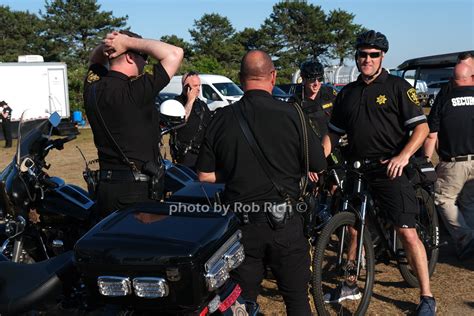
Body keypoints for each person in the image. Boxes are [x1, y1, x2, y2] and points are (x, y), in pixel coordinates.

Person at [196, 50, 326, 315]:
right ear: (273, 76)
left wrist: (236, 172)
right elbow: (318, 164)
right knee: (297, 300)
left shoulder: (220, 118)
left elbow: (204, 176)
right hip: (286, 223)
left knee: (241, 303)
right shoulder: (294, 114)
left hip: (242, 228)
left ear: (240, 78)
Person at [322, 30, 436, 315]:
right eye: (362, 54)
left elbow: (421, 128)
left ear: (382, 56)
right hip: (358, 168)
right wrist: (316, 163)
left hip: (391, 168)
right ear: (356, 56)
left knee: (406, 232)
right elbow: (332, 136)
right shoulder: (347, 93)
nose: (367, 59)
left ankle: (426, 297)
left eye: (374, 55)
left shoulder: (398, 86)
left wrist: (403, 155)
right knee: (352, 228)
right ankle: (350, 284)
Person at [83, 30, 183, 217]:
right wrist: (127, 41)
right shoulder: (135, 91)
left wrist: (111, 43)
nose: (146, 62)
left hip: (106, 189)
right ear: (129, 57)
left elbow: (95, 61)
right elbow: (175, 53)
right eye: (144, 57)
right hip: (136, 194)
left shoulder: (93, 88)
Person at [423, 62, 474, 260]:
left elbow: (431, 134)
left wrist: (426, 160)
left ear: (453, 79)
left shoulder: (444, 98)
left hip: (454, 162)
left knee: (443, 198)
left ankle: (466, 237)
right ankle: (468, 243)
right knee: (469, 202)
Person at [170, 71, 212, 169]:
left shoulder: (202, 105)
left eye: (199, 85)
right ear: (186, 87)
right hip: (185, 155)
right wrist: (190, 100)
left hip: (201, 153)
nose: (198, 88)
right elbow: (180, 121)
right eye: (195, 85)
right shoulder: (176, 103)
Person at [296, 59, 337, 139]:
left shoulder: (329, 93)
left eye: (320, 79)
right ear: (303, 79)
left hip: (331, 141)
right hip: (311, 144)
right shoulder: (297, 101)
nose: (316, 83)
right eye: (312, 79)